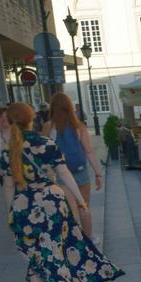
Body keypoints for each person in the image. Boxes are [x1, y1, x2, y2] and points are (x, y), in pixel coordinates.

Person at [0, 102, 123, 282]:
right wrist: (80, 200)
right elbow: (64, 173)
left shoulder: (9, 150)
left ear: (10, 121)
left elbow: (8, 186)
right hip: (51, 202)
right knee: (56, 250)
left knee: (34, 252)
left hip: (23, 204)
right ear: (33, 119)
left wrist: (11, 213)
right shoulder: (47, 144)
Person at [43, 92, 103, 238]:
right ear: (70, 107)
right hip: (80, 170)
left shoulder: (48, 127)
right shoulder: (79, 126)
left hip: (61, 173)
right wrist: (98, 173)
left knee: (69, 210)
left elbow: (45, 152)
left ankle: (75, 241)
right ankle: (89, 240)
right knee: (84, 206)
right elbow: (89, 151)